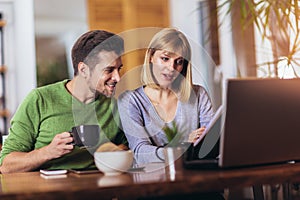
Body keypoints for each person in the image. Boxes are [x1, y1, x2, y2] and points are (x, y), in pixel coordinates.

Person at [0, 30, 128, 173]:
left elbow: (127, 148)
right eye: (109, 70)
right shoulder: (40, 100)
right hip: (51, 191)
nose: (117, 77)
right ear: (84, 70)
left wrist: (115, 151)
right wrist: (48, 152)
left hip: (102, 189)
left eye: (119, 69)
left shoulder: (114, 106)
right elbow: (6, 165)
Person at [118, 28, 215, 164]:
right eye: (165, 58)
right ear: (151, 56)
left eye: (179, 62)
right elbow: (140, 152)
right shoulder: (130, 101)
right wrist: (183, 145)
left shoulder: (199, 94)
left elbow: (211, 144)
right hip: (152, 180)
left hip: (194, 176)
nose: (171, 67)